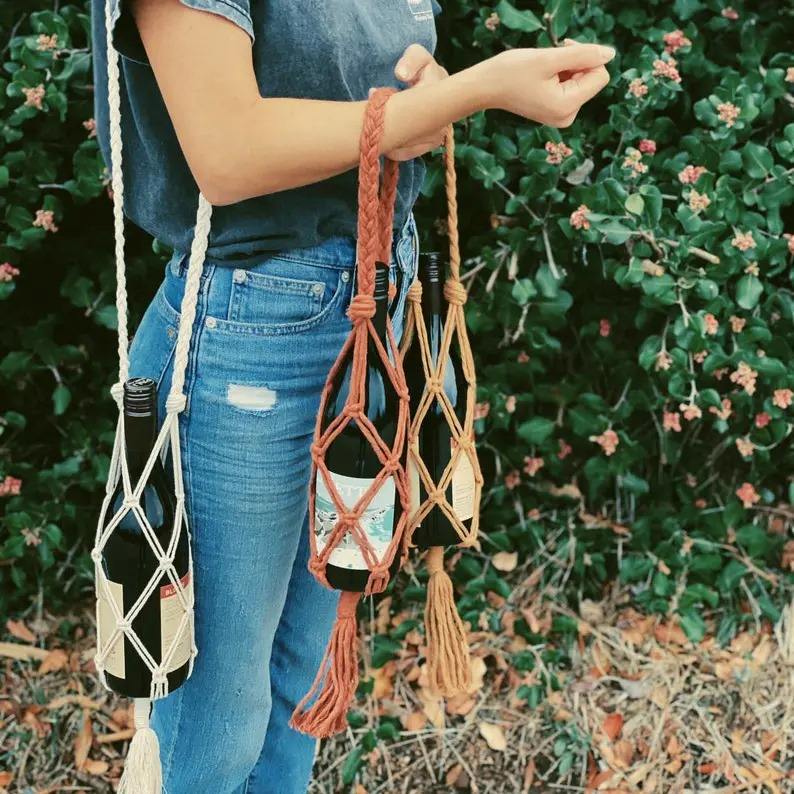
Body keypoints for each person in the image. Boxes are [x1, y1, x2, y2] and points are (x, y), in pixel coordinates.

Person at [90, 0, 615, 791]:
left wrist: (429, 95)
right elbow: (227, 151)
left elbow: (362, 89)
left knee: (297, 685)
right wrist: (470, 92)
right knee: (215, 722)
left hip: (370, 300)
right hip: (252, 323)